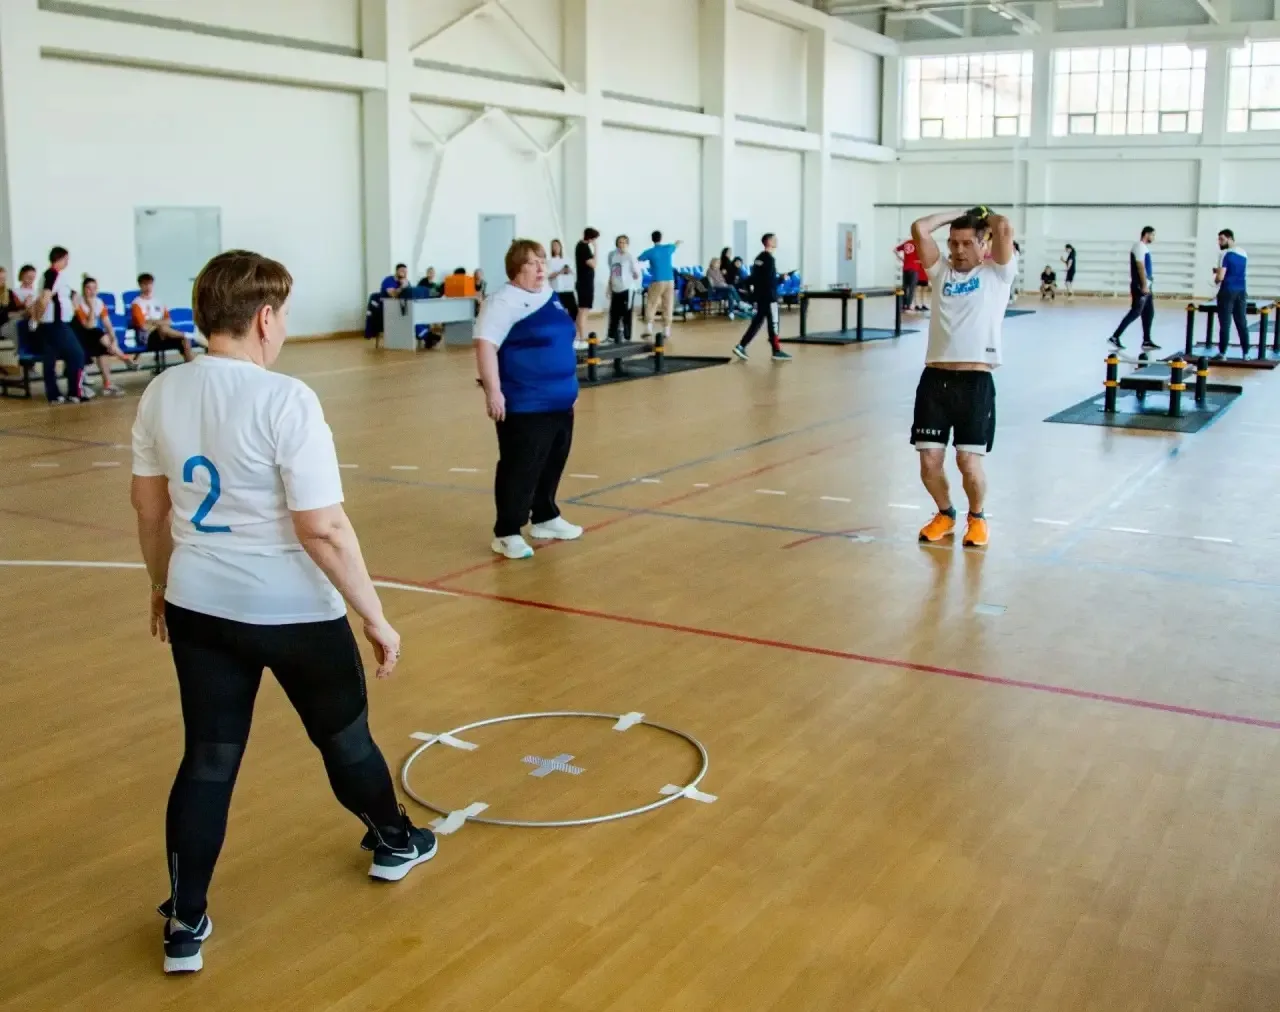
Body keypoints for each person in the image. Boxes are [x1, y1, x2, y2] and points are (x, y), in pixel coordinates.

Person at [130, 250, 434, 976]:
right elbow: (322, 528)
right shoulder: (285, 399)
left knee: (208, 758)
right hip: (295, 612)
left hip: (200, 605)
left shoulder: (162, 392)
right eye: (286, 314)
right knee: (344, 739)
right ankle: (393, 841)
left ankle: (185, 919)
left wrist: (160, 583)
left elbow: (148, 508)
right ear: (264, 318)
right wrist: (374, 614)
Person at [909, 206, 1017, 549]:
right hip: (934, 381)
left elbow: (1004, 227)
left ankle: (977, 517)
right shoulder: (941, 273)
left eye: (967, 243)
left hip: (975, 382)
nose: (958, 250)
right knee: (929, 463)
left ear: (984, 245)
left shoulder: (997, 274)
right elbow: (920, 228)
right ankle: (945, 513)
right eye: (953, 243)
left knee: (968, 463)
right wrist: (960, 211)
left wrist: (984, 212)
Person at [474, 239, 582, 560]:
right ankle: (507, 532)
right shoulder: (502, 302)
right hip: (525, 402)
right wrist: (493, 392)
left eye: (542, 262)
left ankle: (545, 516)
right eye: (533, 263)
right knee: (521, 466)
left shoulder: (550, 296)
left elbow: (563, 341)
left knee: (552, 461)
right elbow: (485, 346)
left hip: (560, 400)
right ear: (516, 269)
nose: (540, 269)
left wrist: (570, 388)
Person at [30, 246, 88, 403]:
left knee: (51, 358)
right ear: (60, 258)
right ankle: (75, 392)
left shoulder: (54, 275)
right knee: (77, 354)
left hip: (53, 324)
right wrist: (36, 319)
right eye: (66, 259)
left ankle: (54, 394)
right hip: (56, 324)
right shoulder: (52, 274)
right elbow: (44, 299)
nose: (67, 262)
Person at [731, 234, 791, 363]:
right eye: (774, 239)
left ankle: (741, 346)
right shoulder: (769, 259)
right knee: (774, 323)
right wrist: (782, 279)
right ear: (768, 242)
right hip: (770, 297)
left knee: (757, 322)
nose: (777, 241)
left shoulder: (758, 258)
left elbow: (757, 277)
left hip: (761, 296)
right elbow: (769, 280)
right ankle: (776, 351)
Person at [74, 276, 135, 395]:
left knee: (103, 348)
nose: (91, 291)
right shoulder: (79, 303)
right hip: (78, 337)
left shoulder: (99, 302)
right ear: (83, 289)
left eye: (94, 288)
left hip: (93, 336)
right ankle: (123, 356)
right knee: (97, 332)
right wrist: (91, 307)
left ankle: (107, 384)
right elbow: (88, 325)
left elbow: (108, 325)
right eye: (88, 288)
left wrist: (114, 341)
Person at [1109, 227, 1158, 351]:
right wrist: (1144, 285)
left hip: (1146, 286)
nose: (1153, 237)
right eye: (1152, 235)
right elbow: (1140, 266)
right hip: (1140, 286)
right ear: (1146, 234)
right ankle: (1115, 336)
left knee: (1149, 312)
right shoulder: (1139, 247)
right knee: (1135, 312)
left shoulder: (1143, 247)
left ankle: (1147, 340)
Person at [131, 274, 197, 363]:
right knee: (163, 328)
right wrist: (160, 323)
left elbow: (169, 321)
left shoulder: (159, 302)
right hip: (148, 338)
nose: (148, 287)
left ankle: (191, 365)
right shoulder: (137, 303)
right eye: (145, 284)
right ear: (140, 285)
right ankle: (189, 335)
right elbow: (144, 326)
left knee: (184, 340)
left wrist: (151, 321)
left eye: (150, 284)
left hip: (165, 335)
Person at [637, 231, 682, 341]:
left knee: (652, 303)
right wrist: (678, 242)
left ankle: (648, 328)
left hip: (657, 280)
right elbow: (676, 245)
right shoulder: (668, 248)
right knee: (668, 304)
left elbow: (639, 258)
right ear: (661, 238)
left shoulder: (650, 251)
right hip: (670, 280)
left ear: (652, 239)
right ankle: (666, 330)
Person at [1213, 229, 1249, 359]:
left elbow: (1221, 277)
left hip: (1227, 291)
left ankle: (1222, 353)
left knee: (1225, 323)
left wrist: (1216, 278)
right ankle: (1246, 353)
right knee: (1242, 322)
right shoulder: (1243, 253)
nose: (1219, 242)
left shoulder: (1225, 254)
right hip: (1241, 291)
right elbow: (1236, 271)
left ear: (1230, 239)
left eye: (1222, 239)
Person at [606, 235, 641, 343]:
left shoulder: (630, 257)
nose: (622, 245)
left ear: (627, 244)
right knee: (614, 314)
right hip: (616, 288)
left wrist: (635, 274)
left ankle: (627, 337)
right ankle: (611, 336)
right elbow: (613, 273)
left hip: (627, 289)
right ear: (617, 244)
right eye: (620, 242)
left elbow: (637, 274)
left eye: (624, 242)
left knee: (626, 314)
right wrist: (609, 287)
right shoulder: (614, 257)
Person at [573, 228, 599, 350]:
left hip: (584, 283)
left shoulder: (581, 246)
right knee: (583, 311)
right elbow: (593, 264)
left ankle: (578, 337)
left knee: (582, 310)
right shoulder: (583, 247)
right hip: (585, 284)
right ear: (591, 238)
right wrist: (596, 248)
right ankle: (581, 338)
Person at [895, 237, 927, 312]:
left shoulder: (906, 243)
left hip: (905, 267)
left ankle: (903, 305)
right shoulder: (918, 244)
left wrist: (902, 259)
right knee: (912, 288)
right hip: (914, 268)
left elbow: (895, 250)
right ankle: (908, 306)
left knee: (905, 287)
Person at [547, 239, 576, 320]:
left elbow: (573, 272)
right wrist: (560, 272)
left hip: (568, 290)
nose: (556, 247)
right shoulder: (550, 261)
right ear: (552, 248)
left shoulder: (568, 260)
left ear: (560, 247)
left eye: (557, 245)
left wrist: (568, 270)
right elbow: (549, 276)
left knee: (573, 312)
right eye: (554, 246)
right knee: (558, 312)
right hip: (557, 290)